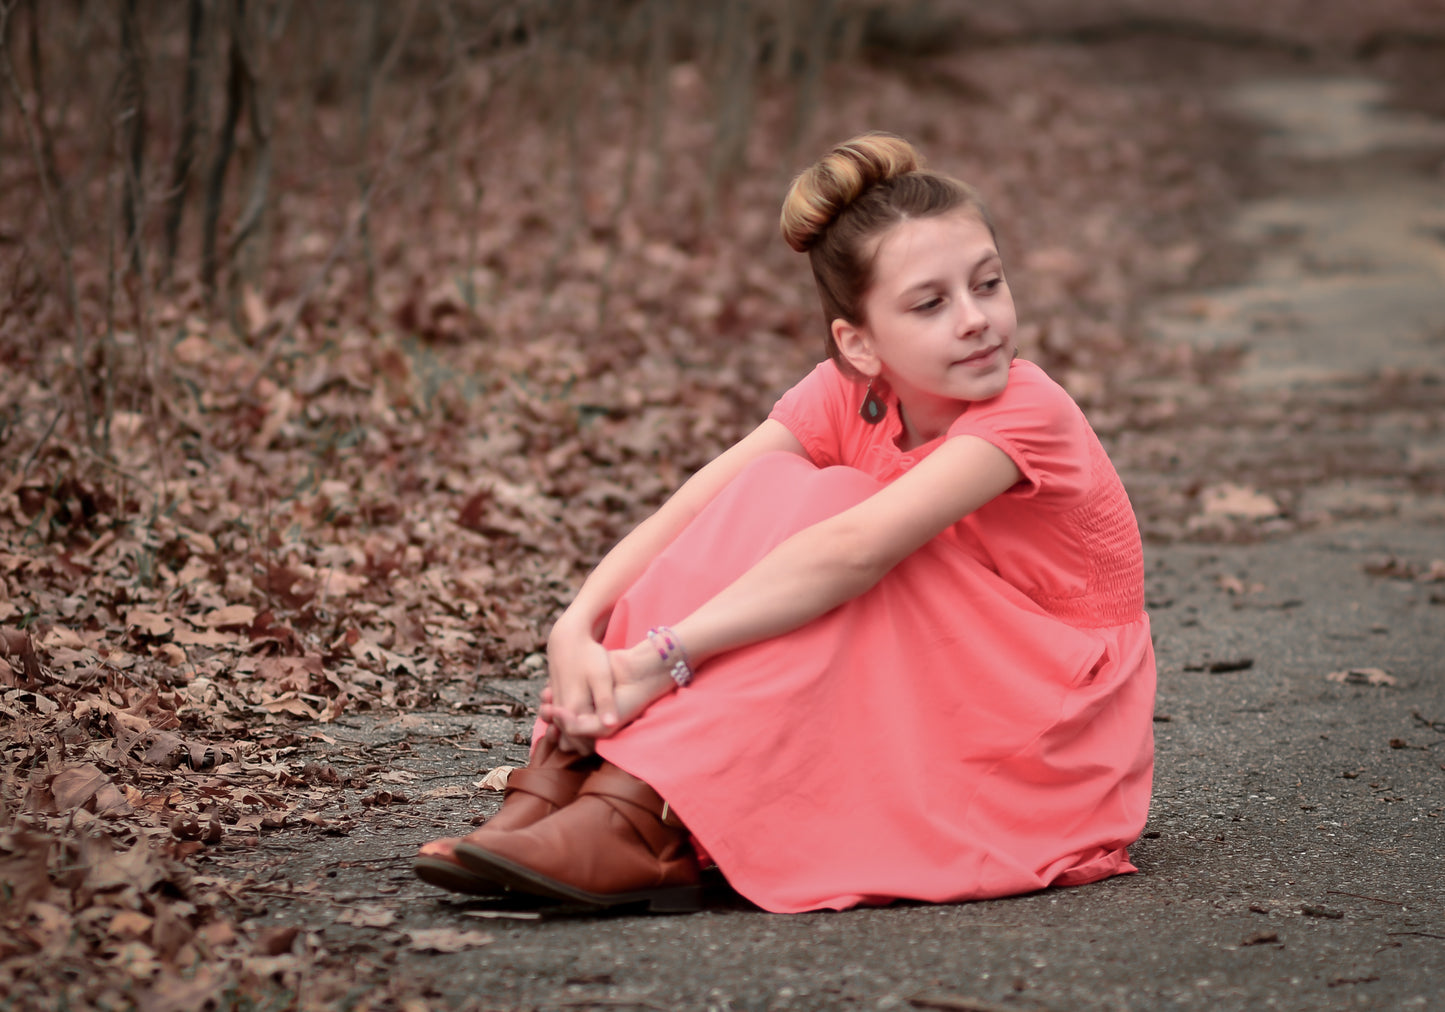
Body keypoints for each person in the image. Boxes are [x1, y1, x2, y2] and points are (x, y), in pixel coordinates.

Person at [414, 132, 1156, 914]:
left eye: (988, 284)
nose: (975, 320)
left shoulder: (1028, 408)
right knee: (767, 486)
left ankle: (646, 810)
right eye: (930, 303)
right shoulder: (848, 394)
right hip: (939, 675)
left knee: (834, 511)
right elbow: (693, 509)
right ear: (858, 344)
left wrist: (662, 658)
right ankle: (578, 770)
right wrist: (575, 627)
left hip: (1049, 723)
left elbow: (853, 550)